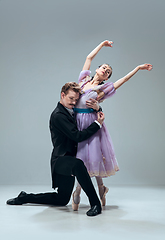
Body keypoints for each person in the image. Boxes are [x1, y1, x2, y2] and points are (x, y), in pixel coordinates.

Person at [72, 40, 153, 210]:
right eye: (104, 68)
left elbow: (123, 80)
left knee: (92, 157)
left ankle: (82, 191)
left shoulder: (105, 89)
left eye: (108, 72)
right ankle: (95, 190)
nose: (105, 71)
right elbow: (89, 57)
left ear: (107, 78)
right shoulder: (83, 80)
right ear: (97, 69)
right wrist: (101, 44)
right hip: (77, 122)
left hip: (92, 123)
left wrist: (138, 68)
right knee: (80, 157)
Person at [6, 82, 105, 217]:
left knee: (62, 200)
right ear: (62, 95)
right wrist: (97, 124)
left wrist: (98, 109)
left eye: (76, 100)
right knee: (77, 164)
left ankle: (25, 197)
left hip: (70, 158)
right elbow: (77, 136)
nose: (74, 102)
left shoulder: (71, 111)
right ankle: (95, 204)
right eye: (71, 98)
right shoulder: (58, 115)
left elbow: (85, 113)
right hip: (61, 159)